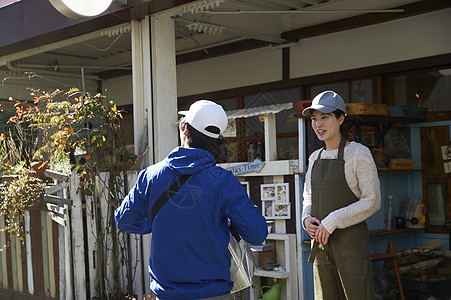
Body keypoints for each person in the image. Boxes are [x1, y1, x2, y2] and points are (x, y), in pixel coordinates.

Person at [115, 100, 268, 300]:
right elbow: (257, 234)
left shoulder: (150, 176)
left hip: (166, 294)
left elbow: (124, 220)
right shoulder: (223, 181)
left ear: (184, 129)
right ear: (219, 138)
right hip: (214, 293)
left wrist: (160, 222)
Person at [301, 91, 381, 300]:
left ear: (341, 119)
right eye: (314, 119)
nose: (318, 124)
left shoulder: (358, 154)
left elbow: (372, 201)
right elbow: (308, 196)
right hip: (321, 246)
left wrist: (333, 220)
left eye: (324, 117)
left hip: (350, 247)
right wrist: (306, 218)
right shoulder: (314, 157)